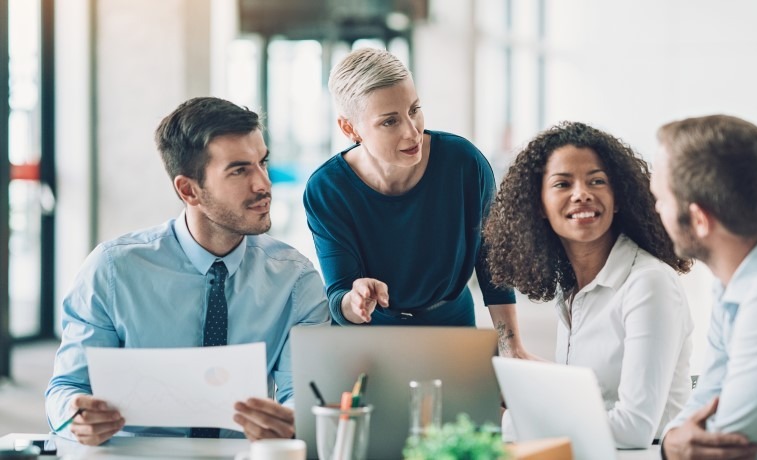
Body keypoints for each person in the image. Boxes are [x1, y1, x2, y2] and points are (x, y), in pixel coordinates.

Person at [45, 97, 330, 445]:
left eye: (262, 163)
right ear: (189, 190)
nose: (263, 184)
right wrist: (75, 416)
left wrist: (292, 421)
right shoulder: (112, 270)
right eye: (239, 170)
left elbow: (301, 393)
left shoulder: (295, 281)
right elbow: (67, 388)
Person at [303, 48, 531, 357]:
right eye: (389, 122)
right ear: (350, 128)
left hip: (453, 326)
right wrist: (354, 302)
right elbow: (339, 294)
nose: (412, 132)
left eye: (414, 110)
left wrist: (511, 347)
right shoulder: (327, 189)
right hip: (371, 340)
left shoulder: (464, 163)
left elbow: (493, 264)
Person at [483, 121, 694, 447]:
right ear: (538, 205)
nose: (582, 194)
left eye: (597, 181)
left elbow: (634, 427)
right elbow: (593, 398)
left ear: (617, 198)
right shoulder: (572, 291)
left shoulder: (649, 283)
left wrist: (506, 421)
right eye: (563, 184)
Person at [653, 115, 757, 460]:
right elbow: (703, 405)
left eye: (662, 200)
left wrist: (674, 446)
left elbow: (725, 446)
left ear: (699, 220)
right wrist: (670, 444)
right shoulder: (737, 280)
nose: (656, 210)